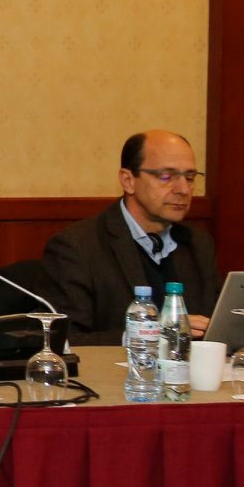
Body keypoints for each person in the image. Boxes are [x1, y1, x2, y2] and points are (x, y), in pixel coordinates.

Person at [42, 129, 217, 345]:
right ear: (128, 181)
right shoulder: (77, 247)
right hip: (114, 366)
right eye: (166, 176)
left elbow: (211, 325)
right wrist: (149, 334)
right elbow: (63, 340)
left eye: (189, 177)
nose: (183, 189)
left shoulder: (198, 243)